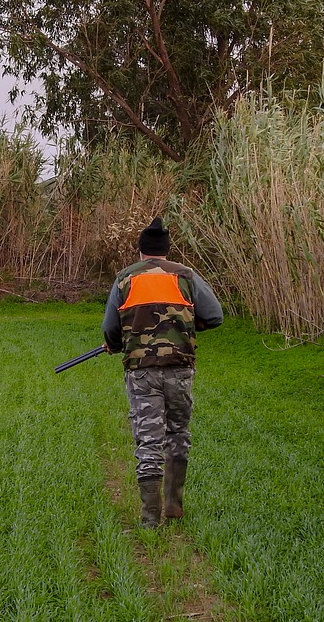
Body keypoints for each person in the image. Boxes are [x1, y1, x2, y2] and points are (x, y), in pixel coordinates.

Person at [102, 216, 223, 527]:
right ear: (166, 250)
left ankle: (150, 517)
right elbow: (214, 316)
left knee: (148, 439)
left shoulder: (125, 278)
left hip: (142, 371)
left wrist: (116, 344)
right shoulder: (186, 275)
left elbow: (111, 329)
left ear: (142, 251)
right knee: (178, 433)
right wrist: (185, 325)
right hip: (180, 369)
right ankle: (173, 504)